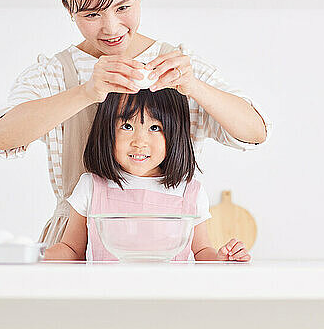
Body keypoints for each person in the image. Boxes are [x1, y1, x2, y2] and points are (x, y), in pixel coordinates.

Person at [0, 0, 271, 248]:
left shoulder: (174, 64)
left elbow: (254, 131)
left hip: (165, 245)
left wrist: (194, 86)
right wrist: (86, 92)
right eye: (92, 14)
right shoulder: (55, 73)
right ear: (67, 5)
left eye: (123, 7)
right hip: (75, 247)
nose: (110, 27)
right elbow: (3, 136)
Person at [45, 88, 251, 261]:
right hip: (109, 296)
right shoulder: (91, 186)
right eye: (127, 126)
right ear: (107, 130)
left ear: (174, 133)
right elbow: (72, 249)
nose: (139, 142)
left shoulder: (189, 191)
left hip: (169, 300)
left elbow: (202, 251)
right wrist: (36, 255)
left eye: (154, 127)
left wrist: (223, 259)